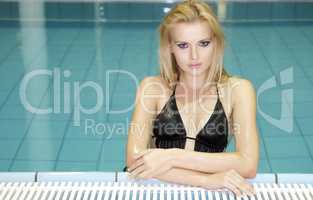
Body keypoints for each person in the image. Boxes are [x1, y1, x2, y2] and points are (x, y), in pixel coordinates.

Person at [125, 0, 259, 196]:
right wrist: (204, 180)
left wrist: (171, 157)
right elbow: (134, 161)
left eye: (203, 43)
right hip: (156, 186)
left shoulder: (239, 91)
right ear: (170, 47)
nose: (194, 56)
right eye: (183, 45)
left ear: (217, 43)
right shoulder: (153, 88)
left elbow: (248, 164)